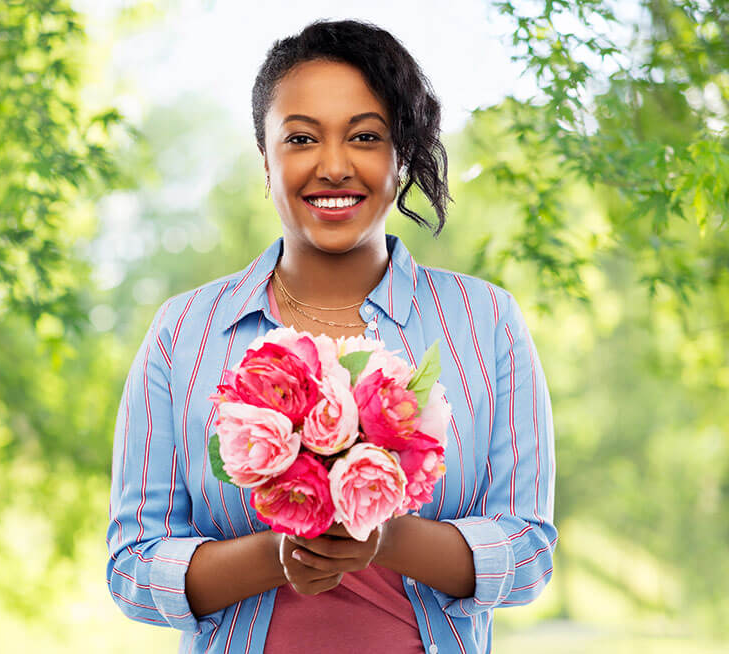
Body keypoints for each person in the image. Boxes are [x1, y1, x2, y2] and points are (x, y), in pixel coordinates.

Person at [106, 18, 556, 654]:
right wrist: (279, 553)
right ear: (266, 161)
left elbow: (530, 553)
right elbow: (131, 568)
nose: (335, 166)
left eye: (366, 137)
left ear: (401, 157)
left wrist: (382, 537)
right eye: (301, 138)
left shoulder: (487, 322)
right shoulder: (184, 333)